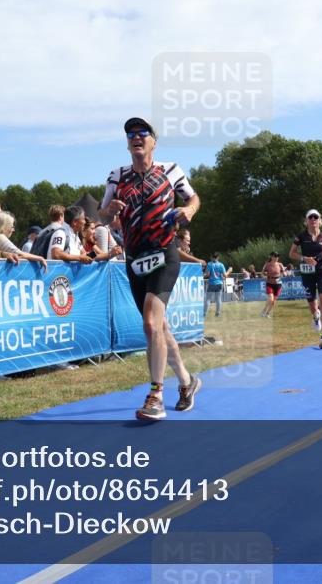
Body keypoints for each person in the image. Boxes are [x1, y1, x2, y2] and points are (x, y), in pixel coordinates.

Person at [99, 116, 201, 421]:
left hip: (164, 254)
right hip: (134, 259)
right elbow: (102, 215)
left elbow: (193, 197)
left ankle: (156, 395)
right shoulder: (116, 176)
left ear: (153, 142)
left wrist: (189, 209)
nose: (136, 137)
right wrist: (109, 212)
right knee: (159, 328)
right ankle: (186, 381)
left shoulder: (170, 170)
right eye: (131, 134)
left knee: (150, 323)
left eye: (142, 132)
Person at [289, 208, 322, 349]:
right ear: (306, 221)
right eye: (310, 217)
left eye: (316, 217)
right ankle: (316, 317)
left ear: (320, 221)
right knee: (313, 306)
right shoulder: (301, 236)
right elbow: (292, 253)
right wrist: (304, 258)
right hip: (307, 273)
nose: (313, 220)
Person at [205, 252, 231, 317]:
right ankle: (217, 313)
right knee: (218, 299)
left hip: (212, 283)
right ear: (218, 257)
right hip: (219, 283)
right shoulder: (221, 265)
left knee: (208, 299)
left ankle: (204, 313)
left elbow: (207, 274)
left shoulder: (209, 264)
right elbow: (225, 275)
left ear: (212, 257)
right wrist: (229, 270)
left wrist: (203, 274)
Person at [260, 251, 285, 318]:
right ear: (271, 257)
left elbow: (284, 272)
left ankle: (267, 313)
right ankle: (264, 310)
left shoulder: (280, 264)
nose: (277, 257)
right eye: (275, 256)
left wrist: (284, 274)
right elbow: (262, 273)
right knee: (271, 299)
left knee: (273, 301)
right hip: (270, 283)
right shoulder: (267, 265)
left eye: (278, 256)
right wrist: (264, 276)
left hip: (278, 284)